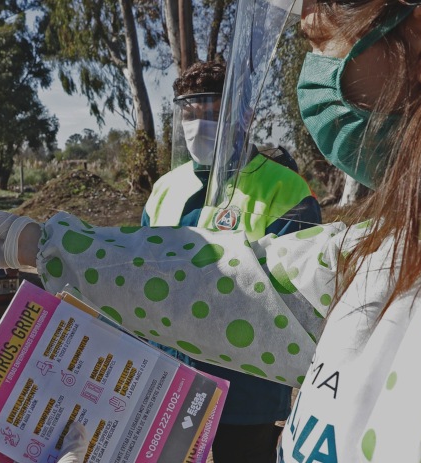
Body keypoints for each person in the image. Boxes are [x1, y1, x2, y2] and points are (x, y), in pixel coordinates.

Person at [0, 1, 421, 461]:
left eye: (320, 44)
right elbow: (227, 281)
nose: (315, 77)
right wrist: (41, 245)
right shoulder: (392, 251)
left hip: (246, 402)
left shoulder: (294, 193)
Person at [144, 60, 321, 463]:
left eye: (210, 111)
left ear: (243, 115)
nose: (197, 124)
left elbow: (296, 294)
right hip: (170, 376)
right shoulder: (165, 189)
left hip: (247, 388)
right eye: (189, 112)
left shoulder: (284, 188)